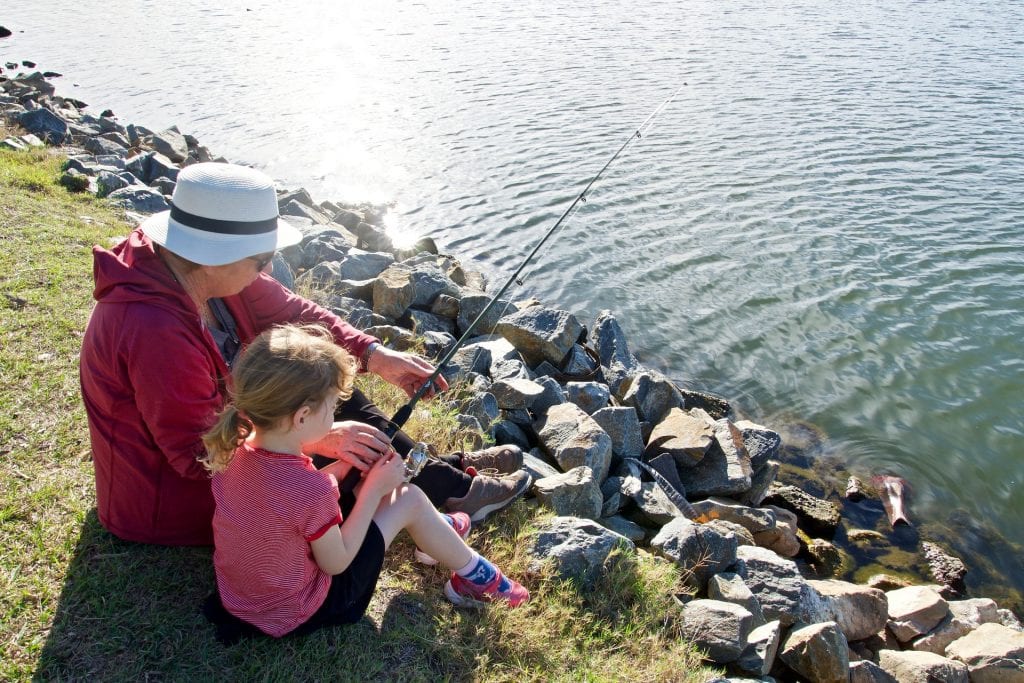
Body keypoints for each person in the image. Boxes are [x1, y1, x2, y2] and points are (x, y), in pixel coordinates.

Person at [79, 161, 531, 546]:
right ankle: (445, 485)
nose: (267, 271)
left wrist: (375, 355)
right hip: (170, 503)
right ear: (216, 256)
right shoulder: (152, 330)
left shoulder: (189, 269)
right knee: (323, 426)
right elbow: (198, 456)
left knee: (320, 381)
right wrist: (316, 440)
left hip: (218, 446)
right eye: (259, 261)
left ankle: (440, 476)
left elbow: (297, 313)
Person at [201, 324, 528, 638]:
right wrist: (372, 491)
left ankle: (436, 530)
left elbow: (284, 504)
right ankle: (474, 579)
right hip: (303, 609)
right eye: (332, 409)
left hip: (241, 600)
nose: (336, 418)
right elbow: (335, 562)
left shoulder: (235, 453)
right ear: (301, 417)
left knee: (365, 488)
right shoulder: (309, 490)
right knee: (408, 498)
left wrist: (341, 470)